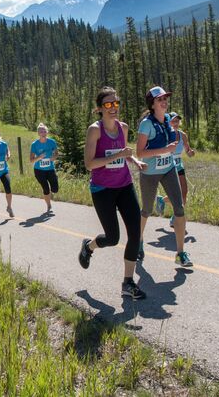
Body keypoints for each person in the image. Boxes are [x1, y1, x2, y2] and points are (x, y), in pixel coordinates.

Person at [78, 86, 149, 299]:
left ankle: (128, 283)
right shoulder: (95, 130)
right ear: (100, 108)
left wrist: (135, 160)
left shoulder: (123, 128)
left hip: (124, 185)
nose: (113, 108)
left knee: (135, 231)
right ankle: (88, 247)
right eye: (108, 104)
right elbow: (90, 164)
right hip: (103, 190)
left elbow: (124, 154)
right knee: (112, 237)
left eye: (116, 103)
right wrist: (117, 154)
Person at [136, 86, 192, 268]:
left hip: (169, 169)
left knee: (180, 207)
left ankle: (180, 253)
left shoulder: (168, 119)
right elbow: (140, 153)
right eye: (160, 99)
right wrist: (165, 150)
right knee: (146, 210)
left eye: (165, 98)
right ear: (152, 104)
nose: (164, 101)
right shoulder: (146, 124)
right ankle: (139, 241)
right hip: (150, 173)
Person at [164, 112, 195, 228]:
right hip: (169, 166)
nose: (175, 123)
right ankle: (167, 207)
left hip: (179, 165)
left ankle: (174, 217)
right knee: (176, 194)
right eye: (173, 121)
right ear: (168, 122)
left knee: (184, 192)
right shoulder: (166, 134)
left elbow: (188, 150)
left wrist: (191, 153)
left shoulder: (183, 135)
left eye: (177, 121)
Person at [30, 123, 60, 213]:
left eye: (44, 131)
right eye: (41, 131)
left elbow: (56, 153)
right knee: (46, 188)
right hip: (39, 171)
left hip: (50, 169)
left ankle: (51, 193)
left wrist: (53, 157)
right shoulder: (34, 144)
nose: (43, 133)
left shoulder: (52, 142)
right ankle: (49, 205)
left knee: (55, 189)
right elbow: (31, 160)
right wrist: (39, 157)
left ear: (47, 132)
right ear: (38, 133)